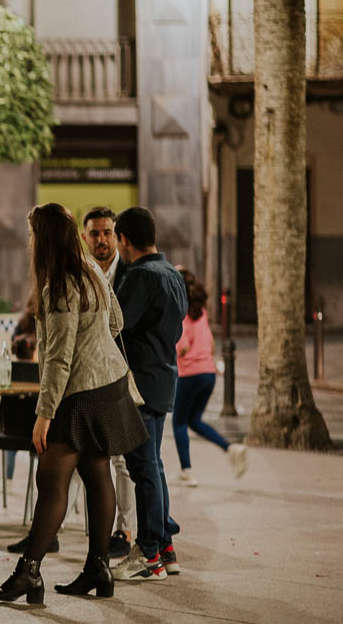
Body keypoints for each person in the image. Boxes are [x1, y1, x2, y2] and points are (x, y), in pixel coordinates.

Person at [0, 203, 148, 606]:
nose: (30, 241)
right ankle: (98, 567)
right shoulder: (90, 268)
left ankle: (29, 573)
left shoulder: (58, 283)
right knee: (96, 472)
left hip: (81, 391)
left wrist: (44, 414)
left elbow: (59, 357)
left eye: (33, 234)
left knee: (52, 480)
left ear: (44, 238)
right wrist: (94, 342)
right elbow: (117, 323)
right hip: (109, 382)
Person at [110, 206, 187, 582]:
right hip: (163, 377)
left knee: (143, 469)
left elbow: (116, 325)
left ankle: (149, 553)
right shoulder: (172, 273)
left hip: (140, 384)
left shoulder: (140, 276)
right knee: (153, 466)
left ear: (124, 240)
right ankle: (166, 549)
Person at [83, 206, 137, 559]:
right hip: (90, 381)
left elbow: (122, 325)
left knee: (121, 460)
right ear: (85, 237)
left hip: (122, 378)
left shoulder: (131, 275)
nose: (101, 239)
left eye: (107, 232)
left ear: (117, 236)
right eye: (95, 233)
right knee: (86, 458)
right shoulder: (82, 274)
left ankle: (125, 529)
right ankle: (52, 529)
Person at [172, 269, 248, 486]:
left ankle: (186, 470)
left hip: (190, 373)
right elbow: (212, 344)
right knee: (193, 420)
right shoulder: (201, 312)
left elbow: (183, 346)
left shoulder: (181, 313)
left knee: (178, 422)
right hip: (208, 373)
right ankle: (231, 448)